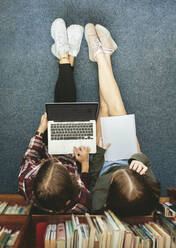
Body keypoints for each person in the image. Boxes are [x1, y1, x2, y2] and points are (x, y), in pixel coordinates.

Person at [84, 23, 160, 217]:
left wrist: (100, 152)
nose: (119, 170)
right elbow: (146, 164)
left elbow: (93, 178)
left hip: (105, 157)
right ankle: (101, 56)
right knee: (117, 109)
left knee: (106, 106)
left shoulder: (99, 202)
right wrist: (138, 160)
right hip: (127, 152)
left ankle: (105, 54)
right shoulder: (149, 192)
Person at [18, 18, 91, 214]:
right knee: (65, 108)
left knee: (62, 109)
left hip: (50, 146)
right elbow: (84, 181)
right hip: (74, 154)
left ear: (37, 176)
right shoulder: (80, 202)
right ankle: (65, 55)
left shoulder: (27, 181)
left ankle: (65, 55)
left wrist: (40, 132)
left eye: (51, 164)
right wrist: (84, 163)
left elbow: (30, 156)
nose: (56, 160)